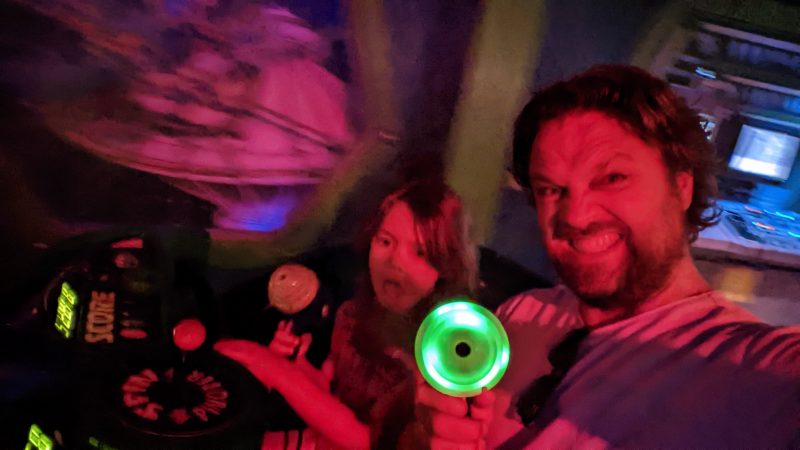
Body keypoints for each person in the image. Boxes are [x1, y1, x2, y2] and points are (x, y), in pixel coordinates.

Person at [418, 64, 800, 449]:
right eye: (551, 189)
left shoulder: (745, 368)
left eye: (612, 178)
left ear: (681, 187)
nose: (576, 216)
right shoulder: (518, 315)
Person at [215, 180, 492, 449]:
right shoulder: (351, 315)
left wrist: (280, 372)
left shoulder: (436, 361)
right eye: (385, 241)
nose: (395, 261)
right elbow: (331, 395)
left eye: (421, 252)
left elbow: (364, 440)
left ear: (446, 269)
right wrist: (297, 364)